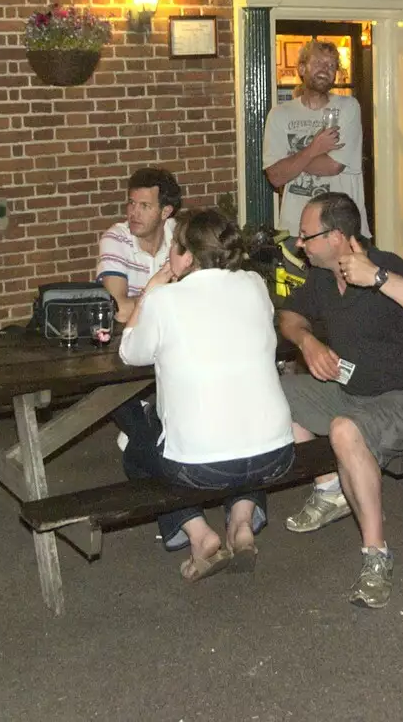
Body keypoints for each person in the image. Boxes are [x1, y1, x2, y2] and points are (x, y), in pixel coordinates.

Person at [276, 193, 403, 609]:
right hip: (352, 390)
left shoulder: (384, 268)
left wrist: (378, 278)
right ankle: (331, 488)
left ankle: (376, 555)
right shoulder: (321, 276)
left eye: (306, 236)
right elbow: (288, 317)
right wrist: (308, 341)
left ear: (337, 236)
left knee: (345, 429)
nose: (300, 245)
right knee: (274, 391)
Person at [117, 209, 297, 583]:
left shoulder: (166, 301)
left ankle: (200, 536)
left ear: (186, 256)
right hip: (277, 453)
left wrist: (151, 291)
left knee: (137, 448)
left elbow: (129, 353)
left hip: (202, 468)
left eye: (173, 247)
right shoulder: (253, 284)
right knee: (242, 432)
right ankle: (243, 522)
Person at [263, 40, 369, 238]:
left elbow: (333, 166)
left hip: (341, 230)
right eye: (319, 62)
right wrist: (315, 148)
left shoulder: (348, 107)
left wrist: (291, 161)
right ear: (302, 68)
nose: (325, 69)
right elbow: (275, 176)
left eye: (331, 65)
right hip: (295, 231)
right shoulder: (279, 115)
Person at [96, 167, 182, 324]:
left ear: (165, 212)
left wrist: (141, 303)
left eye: (144, 206)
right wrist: (170, 298)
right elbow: (119, 311)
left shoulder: (180, 236)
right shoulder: (116, 239)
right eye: (131, 203)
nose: (134, 213)